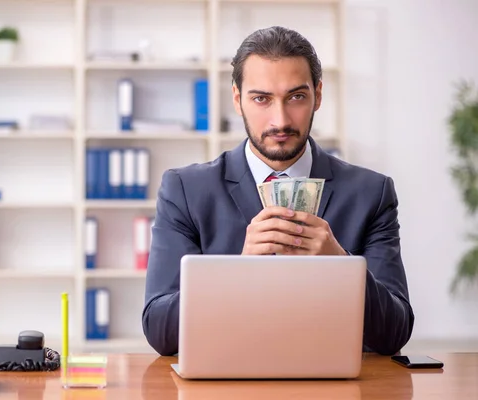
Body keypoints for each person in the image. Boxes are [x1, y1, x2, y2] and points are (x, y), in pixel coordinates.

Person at [141, 26, 414, 357]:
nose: (280, 120)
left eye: (296, 97)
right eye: (261, 99)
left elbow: (395, 333)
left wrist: (341, 265)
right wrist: (238, 272)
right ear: (238, 100)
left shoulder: (372, 193)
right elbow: (159, 330)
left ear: (318, 95)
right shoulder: (185, 190)